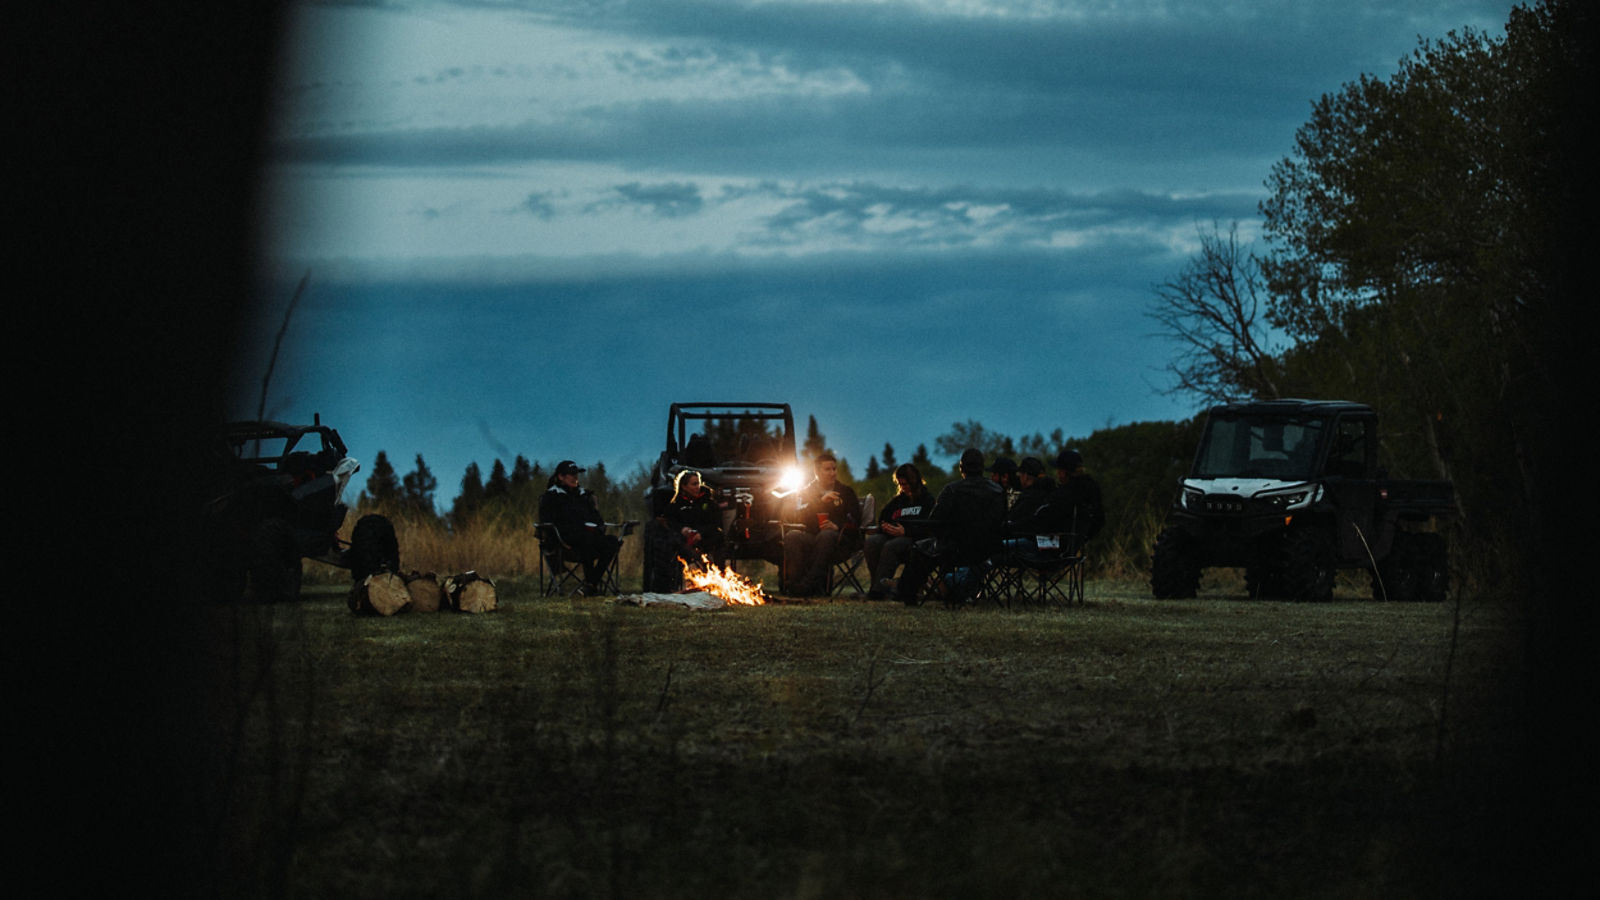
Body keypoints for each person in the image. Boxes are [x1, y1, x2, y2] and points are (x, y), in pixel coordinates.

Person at [894, 448, 1006, 606]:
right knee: (936, 545)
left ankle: (906, 593)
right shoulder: (998, 491)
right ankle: (949, 590)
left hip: (956, 550)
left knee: (920, 549)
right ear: (982, 468)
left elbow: (934, 521)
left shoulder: (952, 490)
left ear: (961, 469)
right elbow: (1002, 521)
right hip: (990, 550)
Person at [782, 452, 861, 596]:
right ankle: (794, 584)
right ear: (817, 472)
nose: (832, 473)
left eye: (834, 469)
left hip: (840, 540)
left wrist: (837, 526)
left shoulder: (846, 492)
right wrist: (820, 503)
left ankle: (807, 586)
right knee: (792, 536)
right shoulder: (807, 492)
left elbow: (856, 518)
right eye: (827, 469)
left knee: (827, 535)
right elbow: (799, 517)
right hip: (812, 536)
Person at [539, 460, 622, 594]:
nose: (575, 477)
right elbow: (547, 522)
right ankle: (591, 584)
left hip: (590, 538)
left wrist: (599, 527)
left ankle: (592, 583)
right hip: (564, 541)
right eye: (571, 474)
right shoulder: (552, 496)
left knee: (612, 541)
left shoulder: (585, 496)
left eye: (576, 474)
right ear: (561, 477)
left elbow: (597, 518)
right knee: (586, 538)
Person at [865, 463, 934, 599]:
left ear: (915, 481)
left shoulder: (927, 501)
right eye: (901, 484)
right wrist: (885, 527)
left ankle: (879, 591)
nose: (904, 488)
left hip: (915, 540)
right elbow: (884, 517)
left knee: (891, 546)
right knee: (872, 542)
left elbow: (929, 527)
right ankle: (877, 583)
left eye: (906, 484)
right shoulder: (898, 501)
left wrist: (906, 532)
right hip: (893, 536)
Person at [1021, 449, 1105, 551]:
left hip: (1054, 546)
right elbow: (1100, 520)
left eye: (1059, 470)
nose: (1057, 474)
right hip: (1073, 547)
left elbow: (1042, 521)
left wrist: (1015, 527)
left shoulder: (1065, 494)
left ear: (1064, 473)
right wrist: (1081, 540)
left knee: (1009, 545)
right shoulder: (1091, 492)